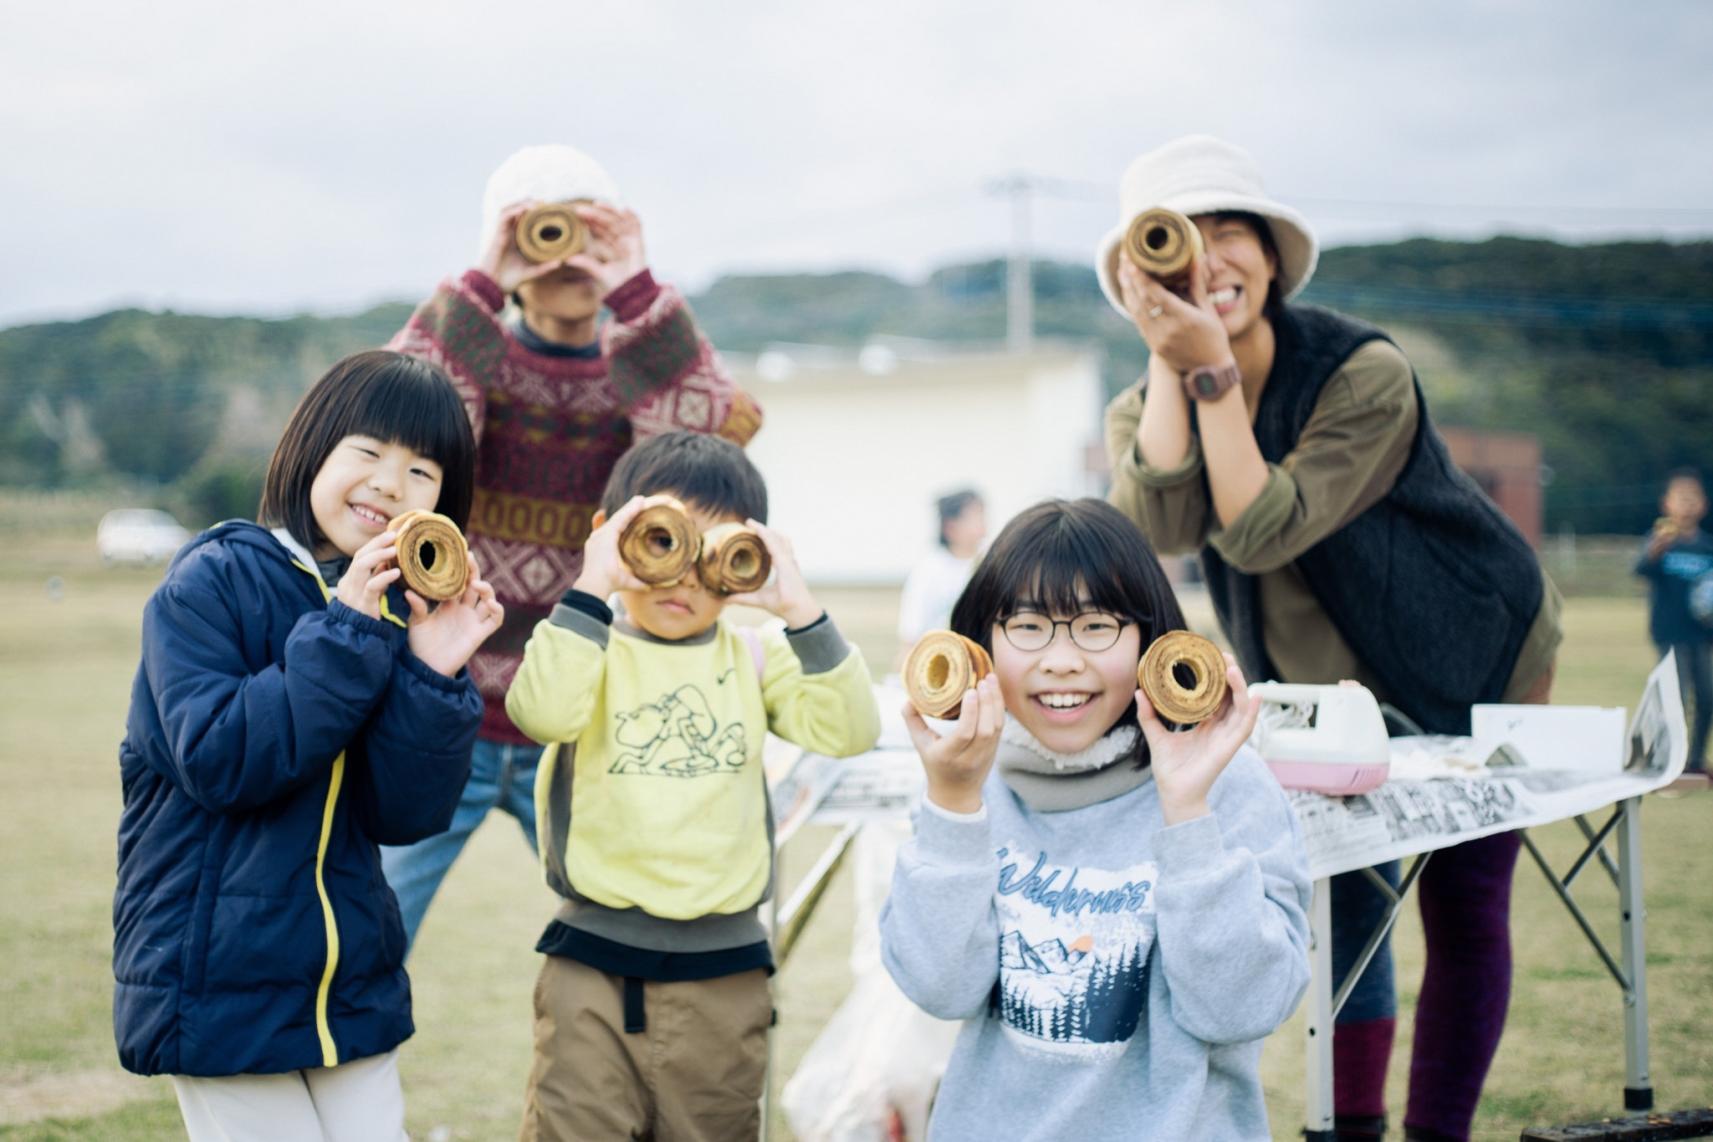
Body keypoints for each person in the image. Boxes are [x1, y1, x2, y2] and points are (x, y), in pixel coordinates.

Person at [1099, 135, 1562, 1142]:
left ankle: (1437, 1130)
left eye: (1229, 231)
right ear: (1139, 274)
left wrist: (1212, 374)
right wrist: (1173, 366)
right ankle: (1348, 1126)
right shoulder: (1144, 405)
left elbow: (1264, 528)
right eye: (1173, 242)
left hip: (1472, 646)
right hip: (1320, 687)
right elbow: (1157, 534)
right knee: (1344, 902)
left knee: (1465, 902)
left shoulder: (1363, 372)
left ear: (1271, 253)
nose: (1206, 260)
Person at [112, 350, 503, 1140]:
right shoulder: (211, 581)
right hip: (218, 977)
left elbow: (404, 812)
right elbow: (224, 761)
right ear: (309, 449)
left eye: (423, 471)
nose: (392, 484)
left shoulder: (394, 616)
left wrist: (432, 671)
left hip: (347, 980)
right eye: (368, 452)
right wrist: (349, 631)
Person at [381, 144, 762, 953]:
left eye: (588, 227)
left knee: (633, 938)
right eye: (541, 231)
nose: (565, 250)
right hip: (442, 703)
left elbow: (706, 467)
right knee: (364, 935)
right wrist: (484, 278)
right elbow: (399, 434)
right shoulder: (476, 357)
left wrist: (635, 288)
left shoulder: (638, 366)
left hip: (583, 711)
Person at [879, 498, 1310, 1140]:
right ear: (981, 646)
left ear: (1151, 638)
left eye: (1097, 626)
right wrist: (952, 803)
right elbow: (940, 989)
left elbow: (1242, 1008)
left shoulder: (1225, 782)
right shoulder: (970, 779)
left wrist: (1187, 813)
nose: (1061, 659)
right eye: (1027, 626)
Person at [505, 431, 881, 1140]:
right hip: (591, 966)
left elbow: (850, 730)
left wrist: (796, 607)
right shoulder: (589, 646)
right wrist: (591, 584)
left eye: (713, 557)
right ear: (612, 536)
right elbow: (541, 711)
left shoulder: (754, 658)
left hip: (724, 972)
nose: (683, 578)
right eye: (662, 543)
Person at [1636, 468, 1712, 773]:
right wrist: (1654, 550)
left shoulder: (1707, 547)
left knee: (1707, 697)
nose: (1687, 504)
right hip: (1670, 634)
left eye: (1693, 498)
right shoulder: (1660, 542)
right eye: (1681, 498)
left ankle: (1695, 760)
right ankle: (1669, 759)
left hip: (1703, 635)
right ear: (1666, 504)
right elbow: (1641, 570)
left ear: (1704, 504)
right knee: (1675, 699)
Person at [896, 488, 987, 651]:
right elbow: (911, 633)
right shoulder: (930, 570)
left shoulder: (988, 564)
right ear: (950, 527)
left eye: (982, 515)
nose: (982, 523)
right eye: (973, 516)